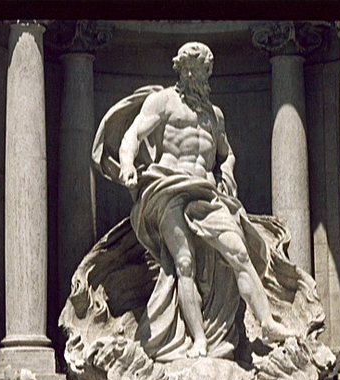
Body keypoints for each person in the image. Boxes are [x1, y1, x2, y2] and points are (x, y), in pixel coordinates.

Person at [113, 42, 292, 358]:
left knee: (239, 252)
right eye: (200, 70)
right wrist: (127, 163)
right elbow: (133, 135)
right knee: (184, 262)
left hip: (206, 193)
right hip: (167, 188)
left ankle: (266, 322)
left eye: (208, 70)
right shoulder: (163, 102)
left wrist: (228, 173)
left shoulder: (214, 115)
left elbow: (226, 154)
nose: (206, 76)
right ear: (184, 69)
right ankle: (199, 340)